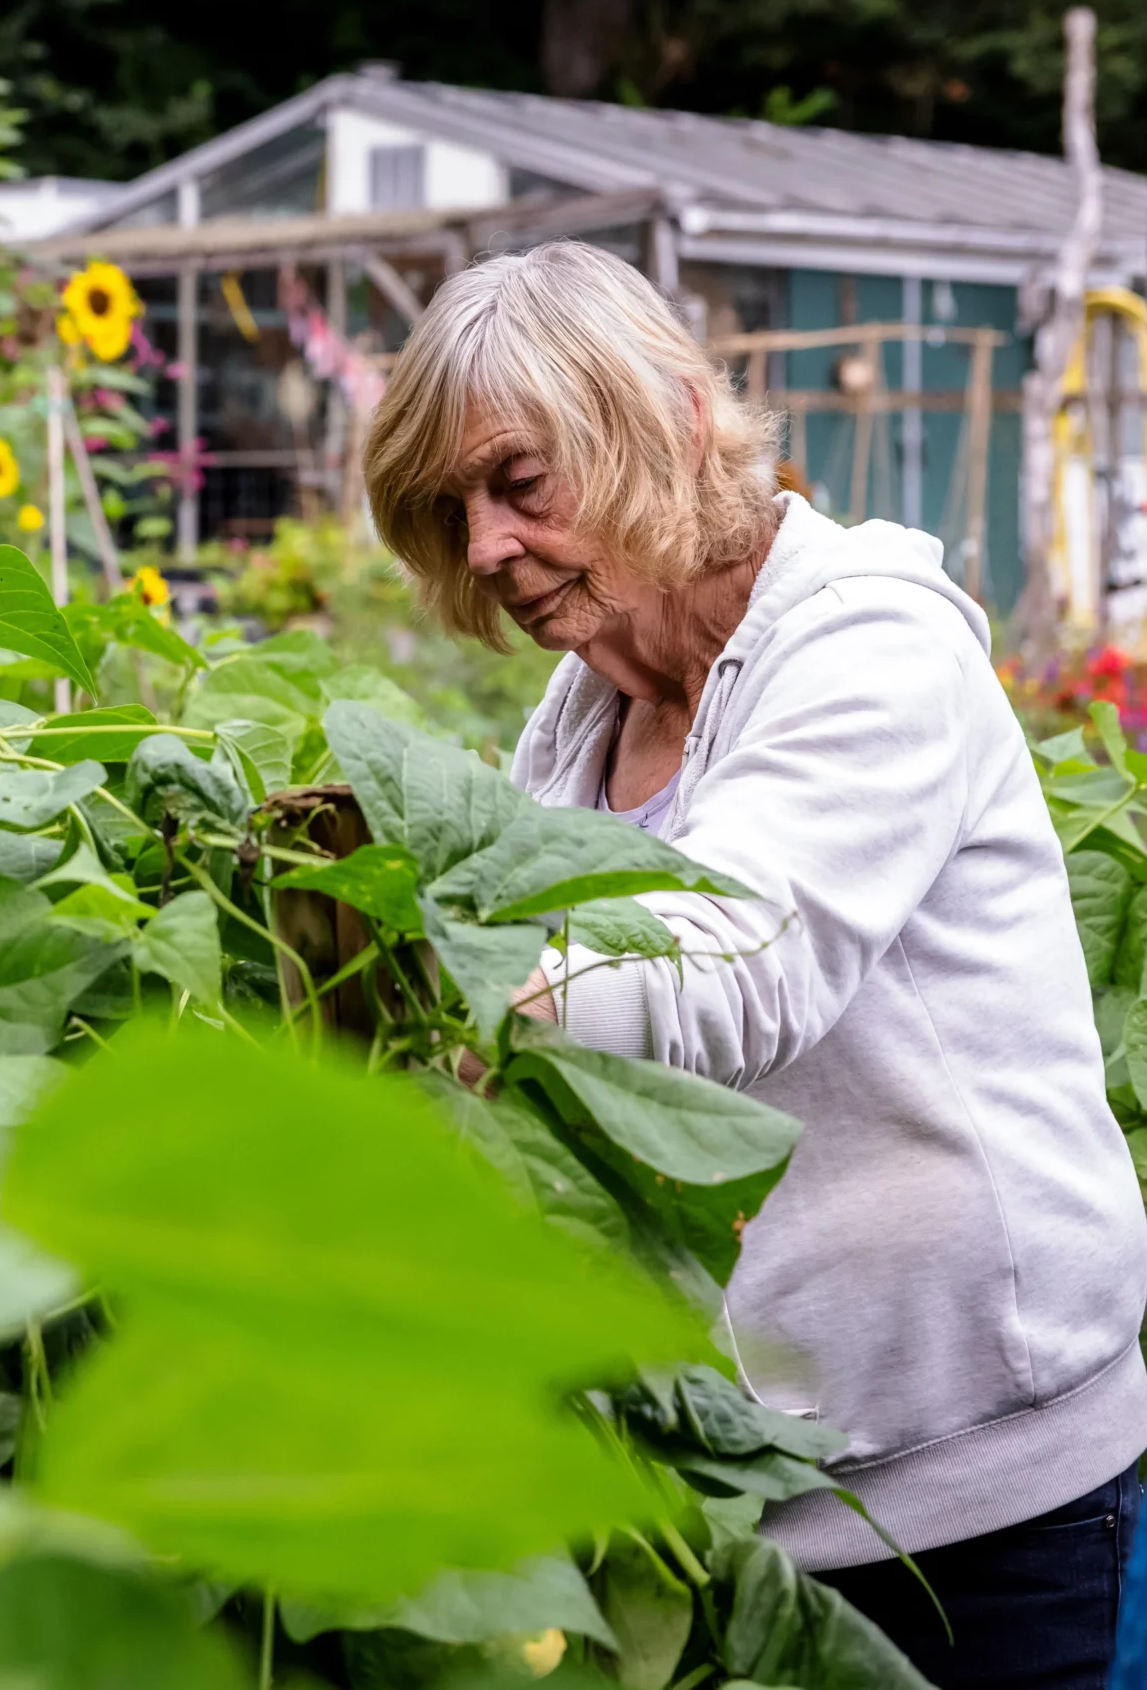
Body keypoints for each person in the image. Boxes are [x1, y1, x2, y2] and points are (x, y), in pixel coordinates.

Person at [362, 239, 1147, 1687]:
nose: (483, 548)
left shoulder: (869, 644)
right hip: (724, 1516)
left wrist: (402, 974)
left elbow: (724, 968)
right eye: (451, 509)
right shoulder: (577, 723)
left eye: (519, 483)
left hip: (989, 1510)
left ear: (663, 413)